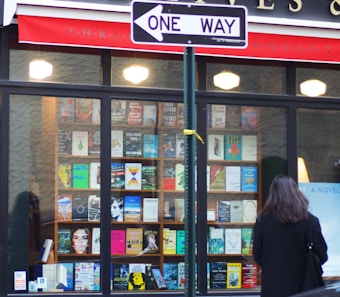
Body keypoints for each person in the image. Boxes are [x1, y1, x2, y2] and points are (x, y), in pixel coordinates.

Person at [252, 174, 328, 297]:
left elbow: (257, 255)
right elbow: (322, 255)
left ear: (272, 196)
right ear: (296, 193)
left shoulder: (262, 221)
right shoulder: (310, 221)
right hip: (304, 288)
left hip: (272, 288)